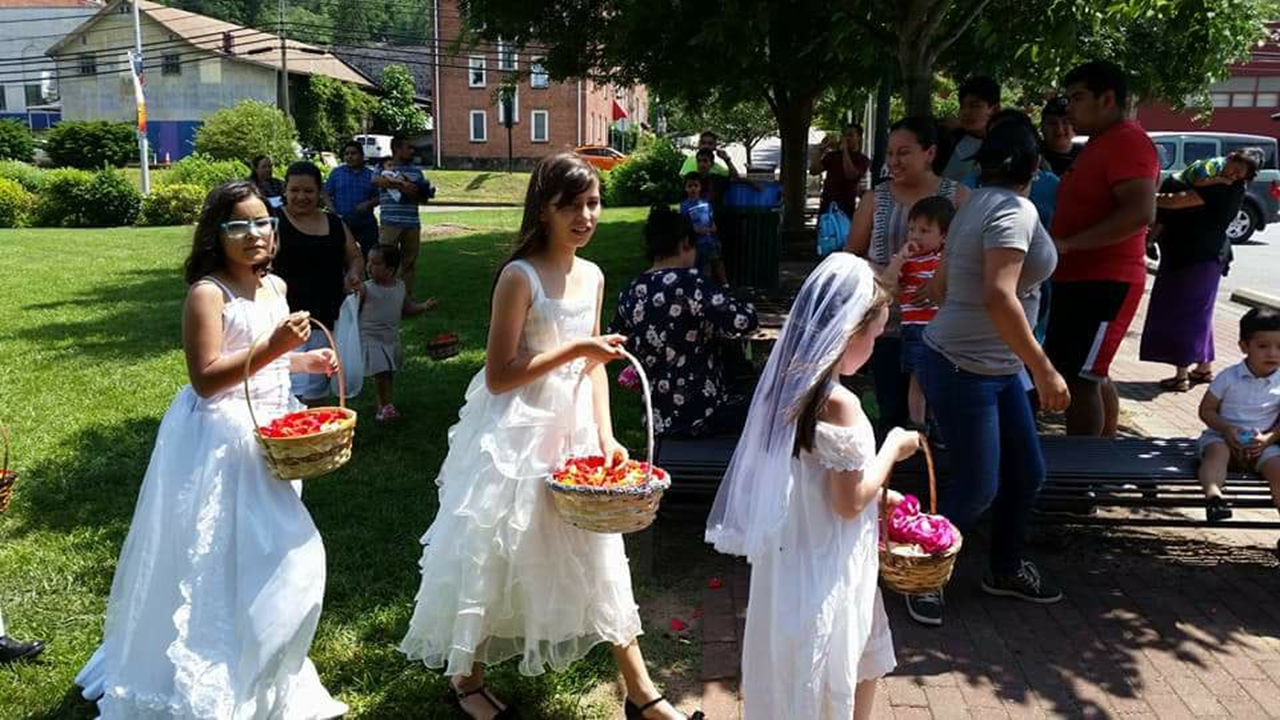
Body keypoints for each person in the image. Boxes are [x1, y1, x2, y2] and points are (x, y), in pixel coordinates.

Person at [399, 153, 704, 720]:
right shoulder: (521, 276)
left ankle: (641, 692)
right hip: (517, 432)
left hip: (574, 431)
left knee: (598, 550)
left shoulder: (592, 275)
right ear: (544, 210)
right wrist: (575, 351)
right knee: (500, 550)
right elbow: (499, 373)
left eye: (593, 204)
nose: (586, 216)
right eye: (572, 206)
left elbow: (593, 369)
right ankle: (466, 678)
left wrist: (608, 437)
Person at [75, 180, 347, 718]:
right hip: (223, 441)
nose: (254, 235)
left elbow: (258, 356)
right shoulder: (208, 293)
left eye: (261, 223)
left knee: (263, 555)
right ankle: (209, 665)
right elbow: (206, 378)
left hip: (274, 429)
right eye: (238, 226)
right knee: (233, 555)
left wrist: (303, 362)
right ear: (216, 235)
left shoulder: (274, 287)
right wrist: (277, 347)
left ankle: (260, 659)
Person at [705, 252, 920, 719]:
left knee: (852, 656)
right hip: (828, 559)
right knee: (836, 661)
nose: (877, 345)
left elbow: (820, 479)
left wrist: (883, 492)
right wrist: (893, 450)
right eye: (875, 334)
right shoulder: (841, 404)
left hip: (794, 552)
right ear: (849, 331)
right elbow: (848, 502)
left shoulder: (792, 384)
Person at [908, 118, 1068, 627]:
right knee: (978, 486)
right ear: (1036, 166)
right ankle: (922, 572)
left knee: (1027, 472)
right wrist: (1044, 370)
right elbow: (999, 294)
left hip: (989, 365)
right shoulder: (1014, 210)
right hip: (964, 366)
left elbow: (955, 269)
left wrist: (939, 290)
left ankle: (1003, 568)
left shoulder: (973, 201)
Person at [1047, 60, 1159, 438]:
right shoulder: (1101, 142)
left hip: (1105, 281)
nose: (1070, 108)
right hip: (1080, 278)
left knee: (1082, 380)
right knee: (1090, 372)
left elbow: (1141, 211)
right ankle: (1103, 454)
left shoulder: (1128, 140)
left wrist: (1069, 244)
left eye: (1078, 98)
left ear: (1107, 99)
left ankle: (1081, 483)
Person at [846, 116, 969, 434]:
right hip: (884, 324)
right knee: (891, 409)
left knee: (938, 412)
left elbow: (972, 257)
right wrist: (881, 277)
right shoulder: (876, 198)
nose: (893, 161)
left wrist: (939, 280)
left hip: (939, 326)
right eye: (889, 153)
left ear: (929, 153)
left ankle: (932, 478)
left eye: (903, 152)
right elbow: (851, 256)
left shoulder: (958, 197)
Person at [609, 206, 759, 438]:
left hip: (654, 416)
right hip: (702, 411)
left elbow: (616, 339)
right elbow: (744, 321)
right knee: (763, 405)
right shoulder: (692, 283)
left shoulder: (632, 290)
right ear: (686, 243)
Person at [1140, 149, 1261, 391]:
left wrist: (1147, 198)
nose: (1232, 174)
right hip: (1197, 256)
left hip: (1196, 257)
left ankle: (1181, 375)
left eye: (1239, 173)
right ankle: (1203, 368)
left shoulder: (1223, 189)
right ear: (1229, 158)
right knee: (1199, 312)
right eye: (1232, 167)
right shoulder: (1214, 179)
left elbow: (1177, 201)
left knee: (1185, 313)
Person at [272, 161, 366, 403]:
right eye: (294, 190)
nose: (301, 196)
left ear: (319, 191)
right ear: (285, 190)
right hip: (285, 321)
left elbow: (354, 255)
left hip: (327, 317)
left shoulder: (335, 223)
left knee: (317, 386)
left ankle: (315, 435)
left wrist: (354, 273)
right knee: (285, 388)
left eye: (308, 191)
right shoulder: (273, 222)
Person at [1196, 307, 1280, 536]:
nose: (1272, 353)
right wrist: (1226, 429)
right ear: (1244, 346)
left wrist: (1268, 438)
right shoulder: (1228, 376)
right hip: (1223, 437)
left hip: (1261, 443)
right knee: (1216, 453)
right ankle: (1214, 497)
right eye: (1263, 346)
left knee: (1278, 469)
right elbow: (1206, 410)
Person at [884, 196, 954, 428]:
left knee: (940, 377)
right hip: (916, 328)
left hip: (943, 328)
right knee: (919, 378)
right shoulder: (906, 261)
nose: (915, 236)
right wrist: (901, 259)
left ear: (943, 236)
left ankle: (935, 423)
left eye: (925, 230)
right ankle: (917, 424)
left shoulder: (946, 261)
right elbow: (887, 284)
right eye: (912, 229)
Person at [361, 244, 436, 423]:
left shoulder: (400, 286)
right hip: (370, 337)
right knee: (380, 371)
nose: (369, 266)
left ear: (390, 269)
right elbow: (349, 305)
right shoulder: (366, 288)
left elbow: (407, 308)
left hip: (390, 337)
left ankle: (385, 403)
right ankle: (384, 407)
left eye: (376, 263)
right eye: (368, 262)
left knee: (388, 372)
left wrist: (424, 306)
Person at [374, 136, 434, 300]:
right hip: (390, 223)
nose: (412, 151)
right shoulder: (382, 167)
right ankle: (381, 297)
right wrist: (403, 185)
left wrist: (421, 192)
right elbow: (376, 181)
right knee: (384, 261)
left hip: (411, 223)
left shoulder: (416, 171)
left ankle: (405, 300)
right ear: (397, 149)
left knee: (409, 263)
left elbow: (422, 197)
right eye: (409, 148)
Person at [323, 141, 380, 256]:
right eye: (346, 154)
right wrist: (332, 209)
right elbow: (325, 193)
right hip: (343, 223)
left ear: (362, 155)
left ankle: (369, 274)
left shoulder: (371, 175)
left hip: (366, 224)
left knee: (371, 256)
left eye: (353, 153)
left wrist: (368, 204)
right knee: (341, 256)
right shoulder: (337, 173)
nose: (349, 156)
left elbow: (380, 197)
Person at [940, 76, 1001, 181]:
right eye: (962, 106)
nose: (966, 112)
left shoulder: (1006, 144)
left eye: (975, 106)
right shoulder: (948, 141)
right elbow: (945, 189)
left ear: (995, 109)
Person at [810, 123, 871, 216]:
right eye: (844, 135)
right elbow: (813, 171)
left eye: (850, 135)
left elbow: (851, 175)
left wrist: (845, 151)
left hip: (846, 206)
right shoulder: (832, 156)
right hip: (827, 205)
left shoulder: (862, 159)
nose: (846, 138)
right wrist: (819, 151)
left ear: (858, 137)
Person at [680, 173, 728, 285]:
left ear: (700, 187)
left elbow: (710, 217)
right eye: (690, 186)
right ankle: (707, 285)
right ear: (685, 188)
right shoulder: (685, 205)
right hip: (697, 241)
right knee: (705, 264)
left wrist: (713, 226)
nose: (693, 188)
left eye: (695, 185)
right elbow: (684, 222)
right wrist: (691, 232)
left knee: (718, 261)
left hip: (712, 239)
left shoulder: (706, 202)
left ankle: (725, 283)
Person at [1040, 96, 1079, 176]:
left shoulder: (1088, 155)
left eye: (1066, 122)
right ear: (1042, 128)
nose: (1059, 129)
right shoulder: (1032, 158)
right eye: (1052, 123)